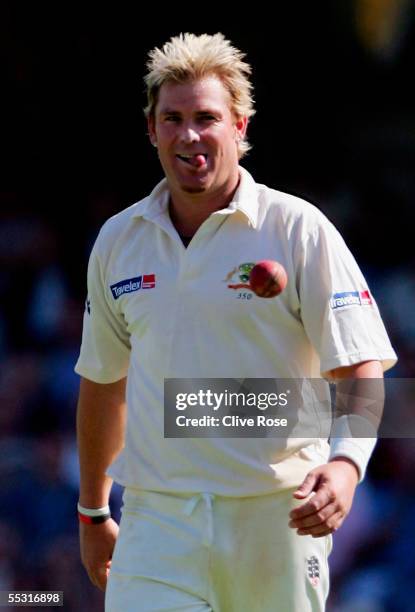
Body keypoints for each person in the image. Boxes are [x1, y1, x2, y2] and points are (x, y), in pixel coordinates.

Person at [75, 32, 397, 612]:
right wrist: (94, 509)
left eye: (207, 117)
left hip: (278, 516)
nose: (190, 135)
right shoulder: (119, 242)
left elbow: (360, 365)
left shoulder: (299, 229)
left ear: (240, 127)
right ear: (151, 130)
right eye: (172, 119)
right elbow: (103, 382)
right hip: (157, 522)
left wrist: (347, 465)